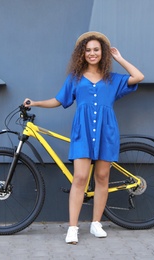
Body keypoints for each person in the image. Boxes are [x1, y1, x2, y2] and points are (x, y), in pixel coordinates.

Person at [23, 31, 144, 244]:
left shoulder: (112, 79)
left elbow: (138, 77)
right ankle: (72, 228)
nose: (92, 53)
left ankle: (96, 224)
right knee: (79, 178)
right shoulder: (75, 78)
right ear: (82, 53)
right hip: (82, 132)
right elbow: (58, 100)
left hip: (106, 131)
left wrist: (120, 59)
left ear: (102, 52)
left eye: (96, 49)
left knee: (102, 177)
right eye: (88, 50)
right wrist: (35, 103)